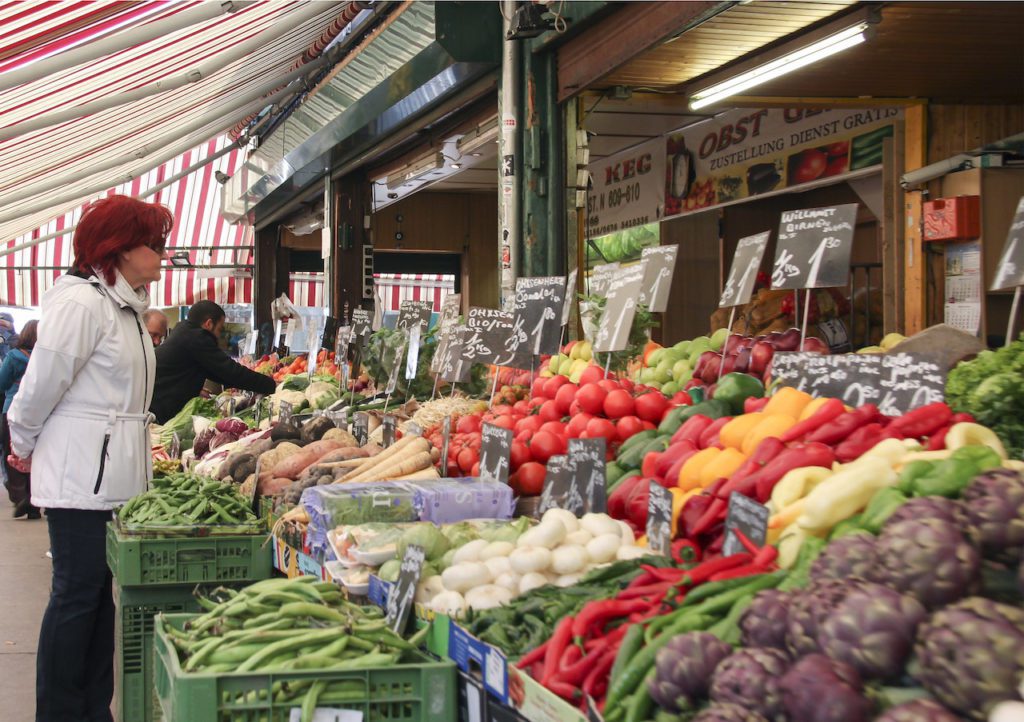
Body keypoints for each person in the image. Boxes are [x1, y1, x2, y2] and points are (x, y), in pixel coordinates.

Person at [8, 194, 167, 722]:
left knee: (99, 600)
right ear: (118, 249)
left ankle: (93, 710)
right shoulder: (81, 304)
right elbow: (37, 389)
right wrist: (22, 448)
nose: (161, 254)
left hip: (112, 479)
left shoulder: (124, 305)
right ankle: (60, 712)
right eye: (153, 244)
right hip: (82, 480)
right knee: (77, 597)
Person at [150, 300, 276, 424]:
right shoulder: (196, 338)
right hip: (160, 411)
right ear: (209, 324)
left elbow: (221, 374)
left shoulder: (185, 332)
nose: (218, 335)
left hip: (157, 406)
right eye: (220, 329)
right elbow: (231, 372)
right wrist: (272, 385)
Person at [0, 320, 38, 518]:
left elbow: (2, 381)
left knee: (12, 454)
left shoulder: (14, 356)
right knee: (36, 455)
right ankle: (34, 498)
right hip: (40, 412)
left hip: (12, 410)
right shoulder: (44, 357)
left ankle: (20, 495)